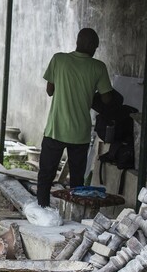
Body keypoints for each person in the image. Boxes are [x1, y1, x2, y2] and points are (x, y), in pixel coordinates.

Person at [37, 28, 113, 208]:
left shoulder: (59, 59)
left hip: (56, 129)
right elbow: (107, 98)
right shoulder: (98, 67)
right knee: (77, 180)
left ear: (78, 41)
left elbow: (50, 91)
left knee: (46, 174)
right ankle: (77, 214)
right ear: (92, 46)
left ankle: (42, 209)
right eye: (95, 46)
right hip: (80, 133)